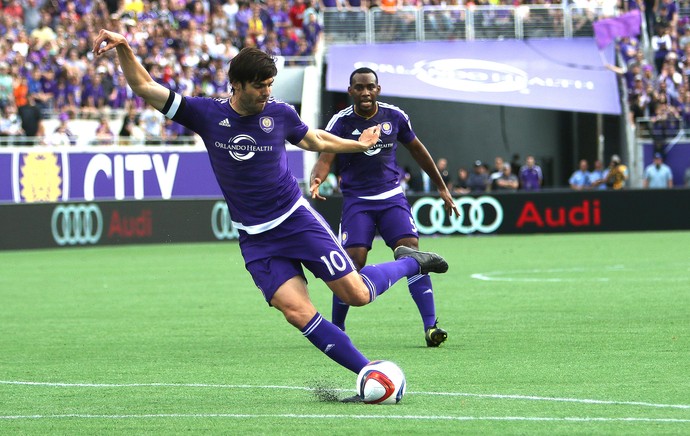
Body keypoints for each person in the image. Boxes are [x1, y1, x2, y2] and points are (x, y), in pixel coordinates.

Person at [92, 31, 449, 389]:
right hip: (256, 239)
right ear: (236, 85)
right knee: (297, 312)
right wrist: (124, 46)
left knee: (355, 295)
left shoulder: (279, 113)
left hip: (296, 222)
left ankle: (411, 261)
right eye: (260, 86)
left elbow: (315, 139)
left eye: (270, 84)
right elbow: (144, 85)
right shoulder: (205, 114)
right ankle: (367, 372)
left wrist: (356, 144)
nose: (267, 92)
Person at [310, 67, 458, 347]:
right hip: (358, 202)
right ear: (350, 90)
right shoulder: (340, 122)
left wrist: (441, 186)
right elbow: (326, 155)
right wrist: (317, 178)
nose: (365, 92)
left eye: (370, 87)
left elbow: (418, 150)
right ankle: (337, 328)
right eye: (359, 87)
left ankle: (431, 327)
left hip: (392, 198)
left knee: (413, 256)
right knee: (352, 265)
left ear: (378, 89)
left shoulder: (395, 116)